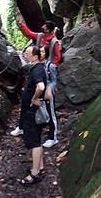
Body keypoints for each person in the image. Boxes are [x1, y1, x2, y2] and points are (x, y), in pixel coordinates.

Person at [10, 14, 62, 147]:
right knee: (26, 103)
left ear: (49, 29)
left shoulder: (54, 42)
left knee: (50, 111)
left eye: (45, 26)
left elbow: (57, 57)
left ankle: (52, 136)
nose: (42, 27)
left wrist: (50, 85)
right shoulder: (40, 37)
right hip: (38, 74)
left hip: (48, 77)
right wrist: (21, 24)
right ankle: (22, 126)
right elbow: (29, 33)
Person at [19, 45, 47, 185]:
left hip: (32, 112)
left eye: (27, 53)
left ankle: (34, 173)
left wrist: (34, 98)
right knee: (37, 138)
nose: (25, 55)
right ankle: (40, 167)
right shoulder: (37, 68)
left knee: (34, 141)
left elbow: (41, 87)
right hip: (33, 111)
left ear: (35, 56)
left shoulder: (37, 70)